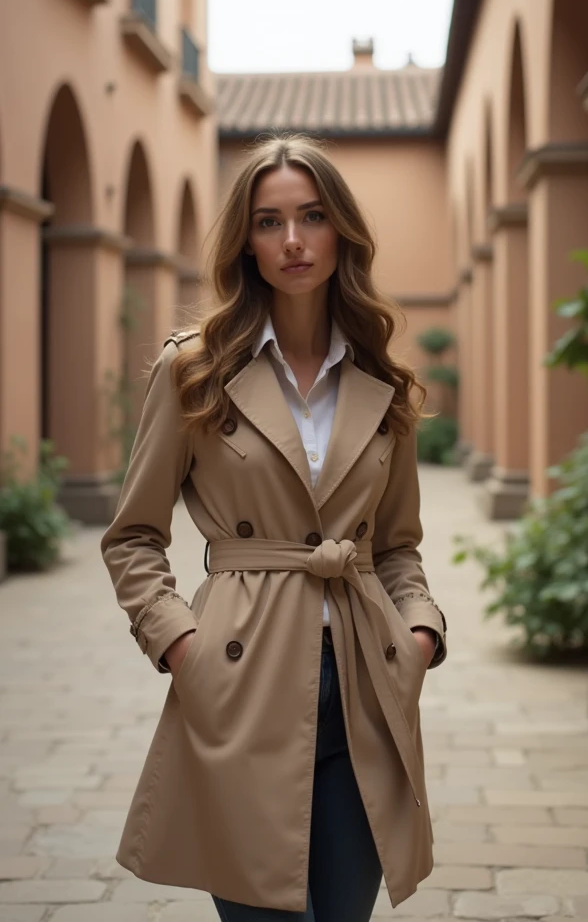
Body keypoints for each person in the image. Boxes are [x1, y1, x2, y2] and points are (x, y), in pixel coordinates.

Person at [101, 133, 448, 922]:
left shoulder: (384, 384)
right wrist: (183, 649)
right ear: (245, 242)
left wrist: (419, 636)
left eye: (312, 216)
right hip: (240, 677)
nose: (292, 241)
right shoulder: (194, 370)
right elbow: (132, 537)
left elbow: (396, 546)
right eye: (268, 221)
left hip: (367, 679)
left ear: (341, 233)